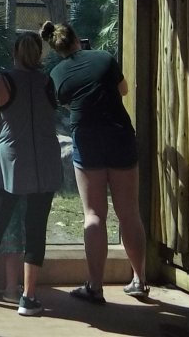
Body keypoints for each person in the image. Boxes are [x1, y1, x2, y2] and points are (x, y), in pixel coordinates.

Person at [43, 20, 149, 302]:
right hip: (119, 135)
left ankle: (95, 286)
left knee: (94, 215)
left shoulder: (57, 74)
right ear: (78, 38)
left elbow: (65, 103)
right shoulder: (104, 58)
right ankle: (139, 279)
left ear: (56, 49)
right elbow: (123, 90)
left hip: (87, 140)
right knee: (129, 213)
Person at [0, 31, 63, 317]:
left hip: (12, 161)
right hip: (45, 160)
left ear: (14, 53)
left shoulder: (1, 81)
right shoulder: (50, 82)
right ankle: (29, 296)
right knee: (36, 228)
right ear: (39, 55)